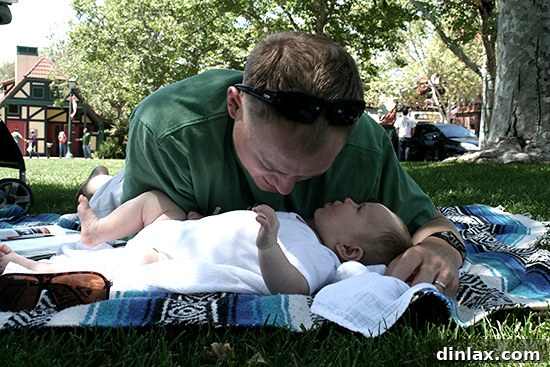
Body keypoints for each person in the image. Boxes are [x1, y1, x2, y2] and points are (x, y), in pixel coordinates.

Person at [80, 31, 465, 296]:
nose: (283, 190)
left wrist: (443, 250)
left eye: (310, 174)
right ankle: (98, 182)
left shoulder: (366, 147)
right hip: (149, 193)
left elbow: (430, 225)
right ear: (235, 106)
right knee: (109, 198)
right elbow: (147, 238)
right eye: (270, 165)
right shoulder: (169, 128)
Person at [0, 191, 412, 295]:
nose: (347, 200)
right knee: (152, 202)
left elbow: (292, 286)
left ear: (350, 252)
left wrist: (268, 245)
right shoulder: (304, 223)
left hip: (170, 251)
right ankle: (95, 232)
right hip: (181, 232)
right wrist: (203, 223)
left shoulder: (317, 256)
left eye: (356, 209)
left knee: (120, 268)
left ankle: (30, 268)